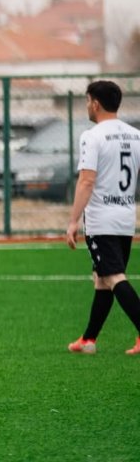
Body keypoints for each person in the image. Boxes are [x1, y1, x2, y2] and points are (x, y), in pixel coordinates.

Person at [65, 80, 140, 357]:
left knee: (113, 276)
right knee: (102, 278)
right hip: (124, 217)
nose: (87, 106)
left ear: (95, 103)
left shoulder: (92, 136)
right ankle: (89, 339)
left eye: (87, 101)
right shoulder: (135, 135)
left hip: (101, 219)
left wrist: (73, 221)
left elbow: (86, 181)